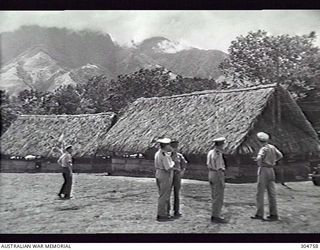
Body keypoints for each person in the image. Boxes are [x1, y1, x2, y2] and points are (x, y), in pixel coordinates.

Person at [251, 132, 283, 221]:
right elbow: (280, 155)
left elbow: (259, 158)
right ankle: (274, 214)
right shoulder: (272, 147)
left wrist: (260, 163)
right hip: (271, 170)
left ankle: (259, 214)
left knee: (260, 193)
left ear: (259, 141)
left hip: (263, 170)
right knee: (272, 193)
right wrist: (273, 161)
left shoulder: (263, 149)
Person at [207, 137, 227, 223]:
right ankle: (216, 216)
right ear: (221, 145)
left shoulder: (210, 152)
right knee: (218, 197)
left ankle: (214, 214)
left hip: (210, 173)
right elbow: (219, 168)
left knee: (214, 196)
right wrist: (222, 180)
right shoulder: (218, 154)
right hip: (217, 174)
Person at [154, 138, 175, 222]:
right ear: (166, 145)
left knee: (162, 194)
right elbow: (168, 168)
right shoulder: (164, 155)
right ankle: (162, 214)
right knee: (164, 195)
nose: (169, 146)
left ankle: (163, 212)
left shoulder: (158, 153)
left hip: (158, 173)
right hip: (164, 174)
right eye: (168, 145)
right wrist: (173, 163)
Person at [169, 140, 188, 218]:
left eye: (176, 147)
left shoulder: (179, 156)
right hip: (169, 175)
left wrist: (182, 171)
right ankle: (167, 210)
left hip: (177, 175)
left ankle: (176, 210)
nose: (175, 149)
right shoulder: (167, 156)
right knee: (167, 193)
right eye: (173, 147)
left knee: (177, 193)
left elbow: (184, 163)